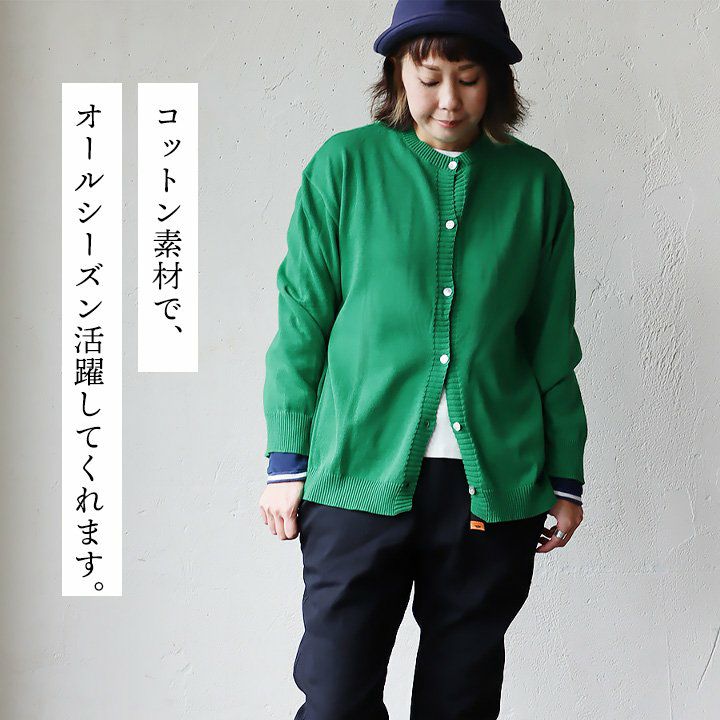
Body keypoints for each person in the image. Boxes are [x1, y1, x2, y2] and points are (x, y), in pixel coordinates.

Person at [259, 2, 588, 718]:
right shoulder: (344, 166)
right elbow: (302, 319)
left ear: (495, 82)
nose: (447, 100)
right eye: (429, 77)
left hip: (491, 483)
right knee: (335, 697)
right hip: (354, 473)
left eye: (467, 79)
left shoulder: (536, 183)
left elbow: (550, 340)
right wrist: (287, 460)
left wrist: (566, 475)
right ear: (397, 75)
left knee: (460, 701)